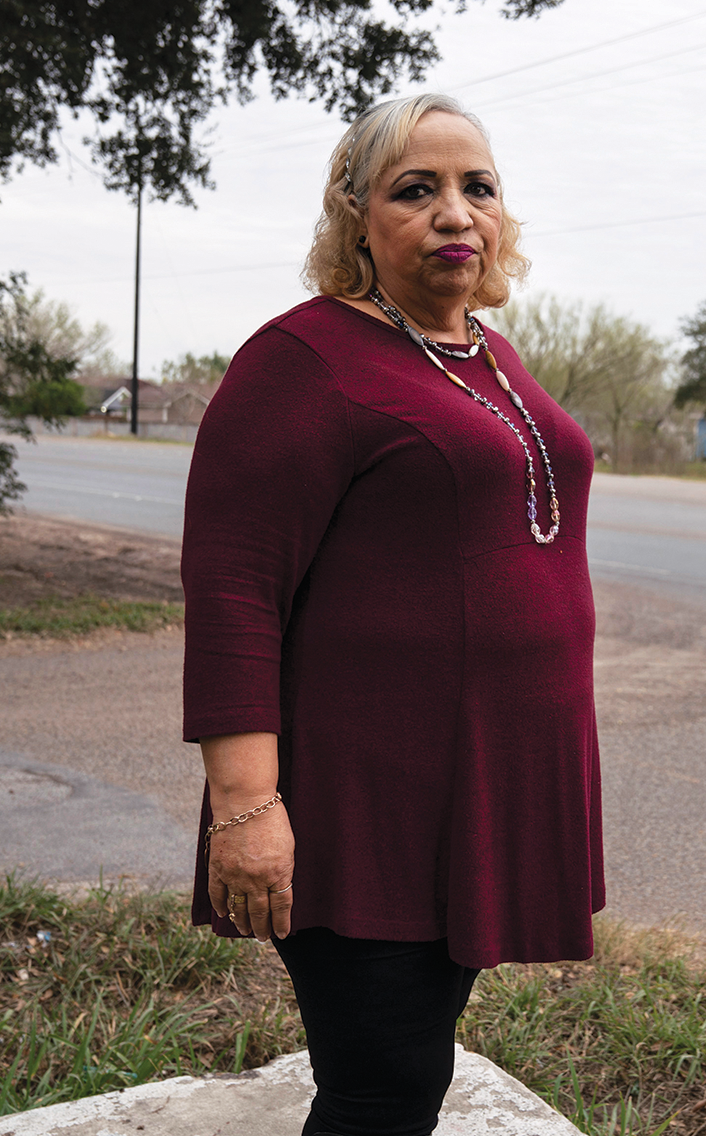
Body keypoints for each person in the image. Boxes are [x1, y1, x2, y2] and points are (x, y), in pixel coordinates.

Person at [180, 93, 604, 1136]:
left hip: (471, 789)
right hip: (362, 802)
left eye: (478, 188)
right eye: (416, 190)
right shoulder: (303, 358)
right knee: (383, 1090)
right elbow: (233, 590)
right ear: (354, 215)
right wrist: (246, 809)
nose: (455, 213)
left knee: (408, 1068)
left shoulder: (485, 354)